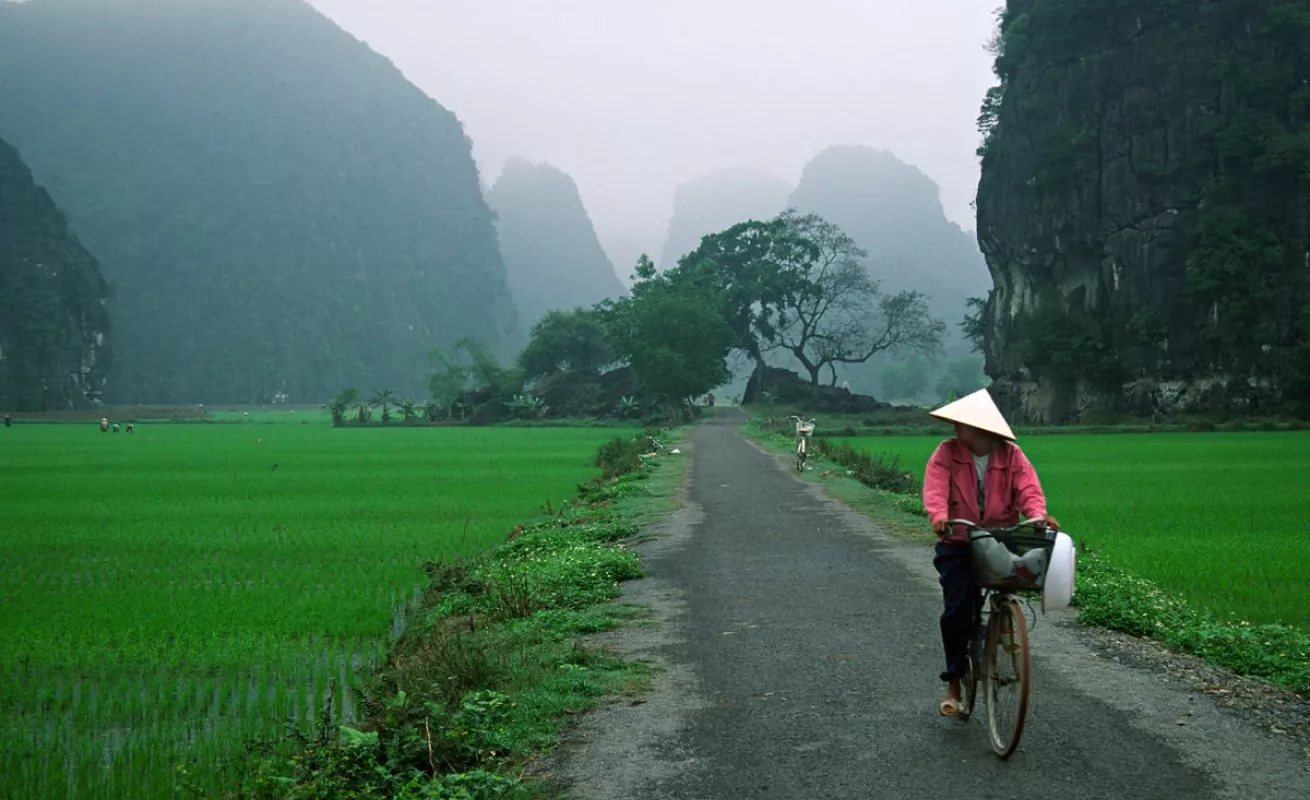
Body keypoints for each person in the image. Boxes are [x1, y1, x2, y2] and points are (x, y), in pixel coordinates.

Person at [921, 388, 1059, 717]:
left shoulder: (1011, 455)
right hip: (959, 537)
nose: (956, 430)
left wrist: (1037, 515)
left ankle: (1005, 621)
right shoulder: (946, 453)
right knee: (957, 610)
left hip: (1000, 536)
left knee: (1015, 571)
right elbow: (936, 488)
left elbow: (1028, 490)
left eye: (962, 425)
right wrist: (938, 517)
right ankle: (954, 682)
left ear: (981, 429)